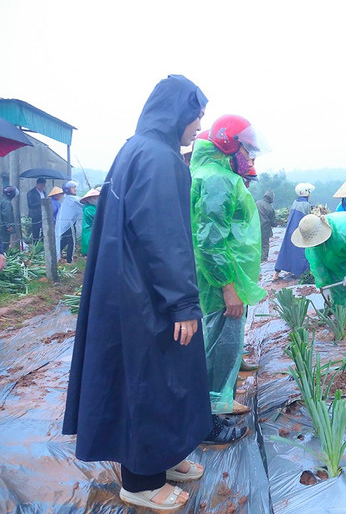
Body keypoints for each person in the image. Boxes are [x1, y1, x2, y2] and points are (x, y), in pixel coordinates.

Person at [63, 75, 213, 511]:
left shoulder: (137, 148)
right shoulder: (160, 157)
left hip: (128, 287)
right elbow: (165, 237)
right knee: (151, 381)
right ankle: (141, 481)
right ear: (176, 113)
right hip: (146, 294)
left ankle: (163, 458)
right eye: (196, 114)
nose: (199, 125)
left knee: (160, 378)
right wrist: (183, 302)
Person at [190, 115, 267, 428]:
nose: (249, 159)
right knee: (223, 337)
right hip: (219, 278)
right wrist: (227, 286)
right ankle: (213, 409)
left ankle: (215, 398)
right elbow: (210, 240)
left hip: (222, 273)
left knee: (220, 335)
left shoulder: (213, 173)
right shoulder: (217, 179)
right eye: (247, 151)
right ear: (229, 145)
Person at [293, 212, 346, 309]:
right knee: (335, 267)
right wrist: (324, 284)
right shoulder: (311, 237)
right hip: (344, 241)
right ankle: (334, 305)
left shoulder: (345, 232)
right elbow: (317, 264)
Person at [274, 182, 314, 280]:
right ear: (306, 192)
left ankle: (276, 273)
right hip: (299, 230)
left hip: (291, 228)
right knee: (301, 252)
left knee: (287, 250)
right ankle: (302, 273)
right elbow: (308, 218)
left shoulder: (296, 202)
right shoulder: (306, 204)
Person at [55, 180, 82, 263]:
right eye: (72, 188)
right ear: (67, 190)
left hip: (67, 224)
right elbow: (82, 204)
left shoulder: (67, 199)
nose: (75, 189)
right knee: (71, 241)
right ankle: (69, 259)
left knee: (65, 240)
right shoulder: (72, 199)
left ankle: (56, 253)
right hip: (69, 224)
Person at [256, 190, 276, 261]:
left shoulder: (257, 203)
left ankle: (256, 259)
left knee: (256, 244)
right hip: (265, 229)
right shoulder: (270, 208)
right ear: (271, 198)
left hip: (255, 228)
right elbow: (273, 222)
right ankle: (263, 259)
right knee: (265, 245)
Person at [79, 188, 100, 255]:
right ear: (88, 199)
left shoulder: (93, 207)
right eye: (94, 198)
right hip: (90, 230)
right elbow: (97, 218)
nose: (97, 200)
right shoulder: (89, 209)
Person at [27, 178, 47, 243]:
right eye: (41, 185)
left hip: (43, 214)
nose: (42, 187)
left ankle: (42, 244)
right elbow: (30, 204)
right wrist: (40, 202)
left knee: (44, 230)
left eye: (43, 185)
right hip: (35, 215)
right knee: (36, 231)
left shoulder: (44, 192)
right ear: (37, 184)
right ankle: (35, 245)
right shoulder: (31, 193)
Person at [0, 186, 17, 251]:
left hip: (2, 226)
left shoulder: (2, 200)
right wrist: (9, 226)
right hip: (3, 228)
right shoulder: (6, 203)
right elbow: (7, 215)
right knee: (4, 244)